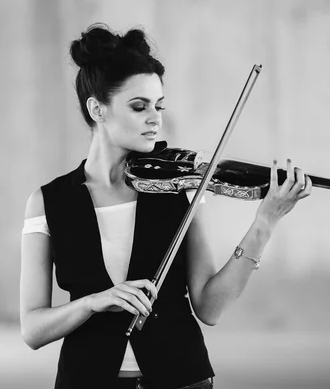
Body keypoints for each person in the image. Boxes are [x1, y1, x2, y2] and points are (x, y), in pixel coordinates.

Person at [19, 24, 312, 389]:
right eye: (139, 106)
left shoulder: (181, 187)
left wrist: (265, 221)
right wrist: (92, 302)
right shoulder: (49, 202)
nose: (155, 118)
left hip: (182, 380)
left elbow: (209, 307)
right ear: (97, 109)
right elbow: (32, 330)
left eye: (158, 105)